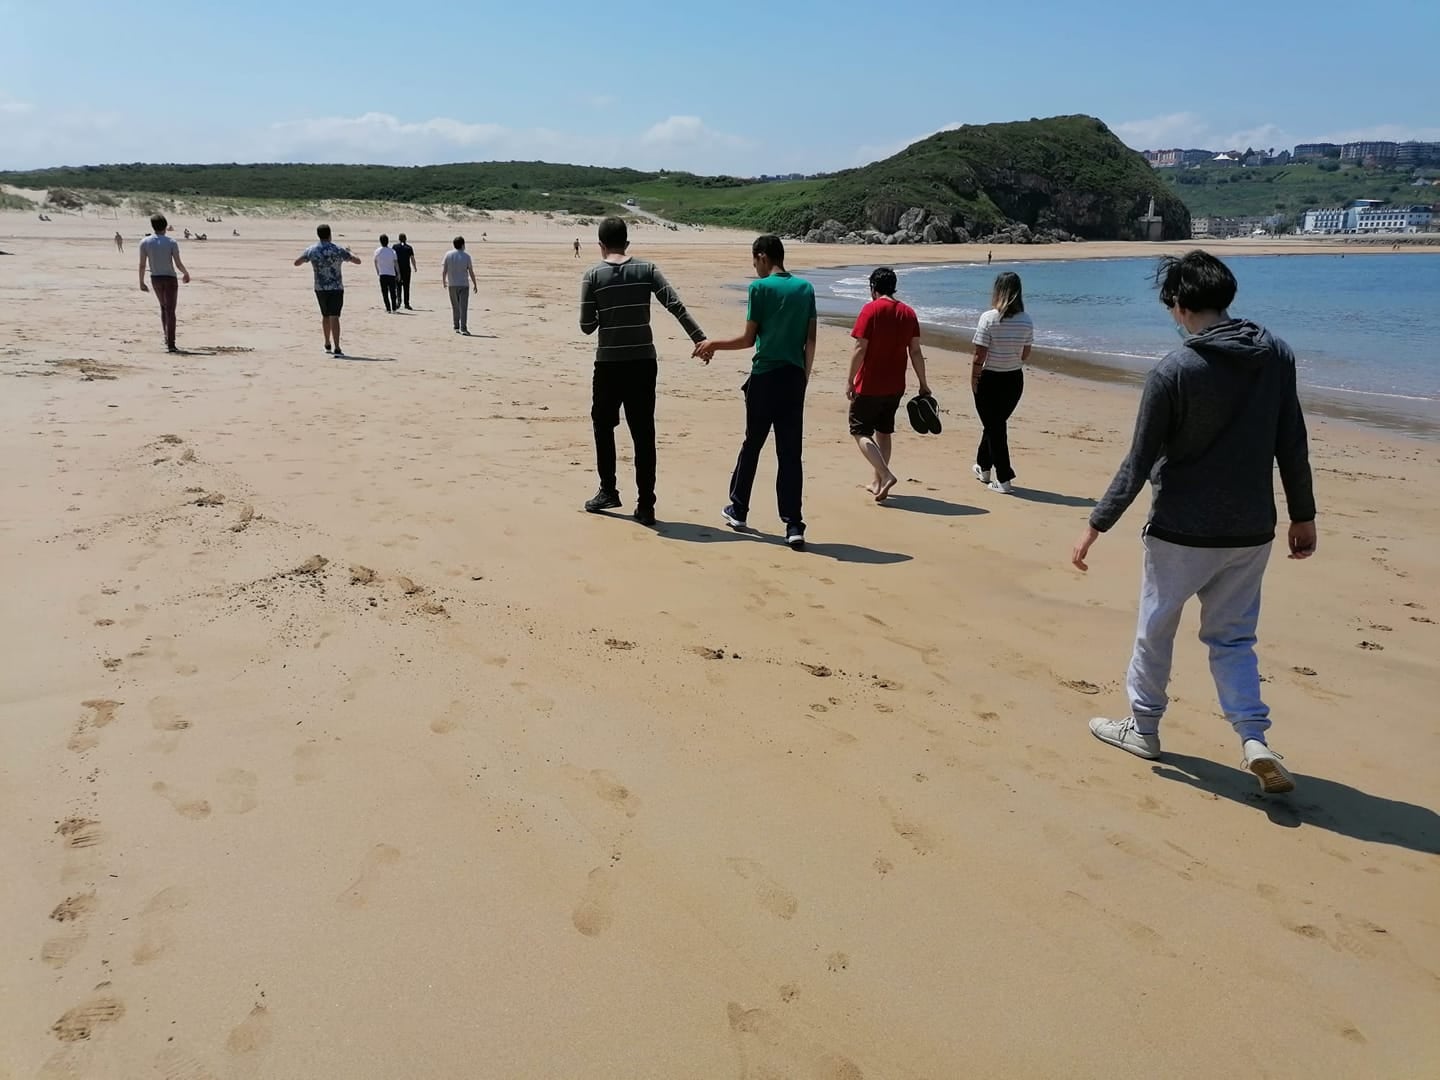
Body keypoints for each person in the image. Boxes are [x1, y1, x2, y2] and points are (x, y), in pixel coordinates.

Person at [1072, 250, 1317, 795]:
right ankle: (1253, 736)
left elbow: (1138, 461)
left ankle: (1144, 726)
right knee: (1233, 637)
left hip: (1181, 529)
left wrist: (1097, 524)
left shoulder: (1174, 370)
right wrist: (1304, 515)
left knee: (1156, 628)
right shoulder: (1276, 354)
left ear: (1179, 305)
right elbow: (1291, 441)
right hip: (1252, 528)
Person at [579, 216, 709, 527]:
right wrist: (699, 338)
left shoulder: (593, 276)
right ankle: (646, 505)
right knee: (643, 432)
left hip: (609, 363)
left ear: (601, 244)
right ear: (626, 243)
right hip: (642, 363)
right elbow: (674, 304)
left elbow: (586, 326)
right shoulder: (647, 270)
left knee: (603, 425)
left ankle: (608, 490)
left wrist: (603, 312)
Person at [696, 235, 816, 550]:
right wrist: (804, 376)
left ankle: (739, 509)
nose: (755, 268)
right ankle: (793, 524)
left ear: (762, 257)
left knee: (753, 444)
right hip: (794, 378)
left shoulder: (759, 289)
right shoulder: (805, 289)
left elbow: (749, 340)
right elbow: (811, 341)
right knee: (790, 453)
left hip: (764, 377)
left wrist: (713, 344)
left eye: (754, 261)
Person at [846, 266, 929, 501]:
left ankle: (884, 474)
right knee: (884, 431)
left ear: (873, 288)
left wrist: (850, 380)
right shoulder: (908, 313)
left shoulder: (870, 310)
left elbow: (860, 349)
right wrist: (923, 383)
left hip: (870, 384)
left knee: (860, 431)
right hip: (895, 385)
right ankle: (877, 481)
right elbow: (915, 351)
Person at [970, 271, 1034, 494]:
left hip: (990, 378)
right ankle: (984, 467)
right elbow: (1025, 354)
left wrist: (974, 378)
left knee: (995, 427)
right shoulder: (1026, 320)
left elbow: (979, 355)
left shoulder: (989, 318)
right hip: (1014, 379)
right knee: (994, 425)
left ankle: (1004, 477)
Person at [294, 223, 362, 357]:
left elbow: (297, 262)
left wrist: (309, 260)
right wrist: (349, 251)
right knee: (334, 316)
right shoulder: (337, 249)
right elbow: (357, 261)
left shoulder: (312, 250)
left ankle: (327, 343)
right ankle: (337, 347)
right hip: (336, 287)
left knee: (325, 315)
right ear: (330, 234)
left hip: (320, 288)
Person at [138, 214, 190, 353]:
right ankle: (171, 343)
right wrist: (185, 273)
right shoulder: (171, 242)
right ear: (166, 226)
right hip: (170, 278)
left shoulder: (145, 242)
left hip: (155, 278)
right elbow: (177, 263)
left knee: (163, 307)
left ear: (152, 226)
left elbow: (142, 265)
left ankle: (167, 337)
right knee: (170, 311)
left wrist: (141, 281)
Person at [442, 236, 478, 334]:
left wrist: (444, 281)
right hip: (463, 285)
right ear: (462, 245)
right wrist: (475, 283)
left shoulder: (448, 255)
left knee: (455, 306)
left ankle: (456, 326)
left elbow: (444, 270)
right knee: (463, 307)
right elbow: (470, 271)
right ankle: (463, 328)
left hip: (452, 284)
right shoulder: (466, 256)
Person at [374, 234, 401, 312]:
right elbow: (396, 263)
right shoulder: (392, 251)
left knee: (384, 292)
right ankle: (394, 308)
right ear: (388, 241)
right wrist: (398, 273)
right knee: (393, 292)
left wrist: (378, 271)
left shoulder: (377, 251)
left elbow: (375, 262)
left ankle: (388, 308)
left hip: (382, 274)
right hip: (391, 274)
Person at [392, 233, 416, 309]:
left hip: (397, 269)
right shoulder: (409, 247)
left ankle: (398, 302)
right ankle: (406, 303)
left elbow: (393, 258)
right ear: (406, 239)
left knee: (398, 286)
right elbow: (412, 258)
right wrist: (414, 267)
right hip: (406, 269)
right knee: (406, 286)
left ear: (399, 239)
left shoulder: (395, 247)